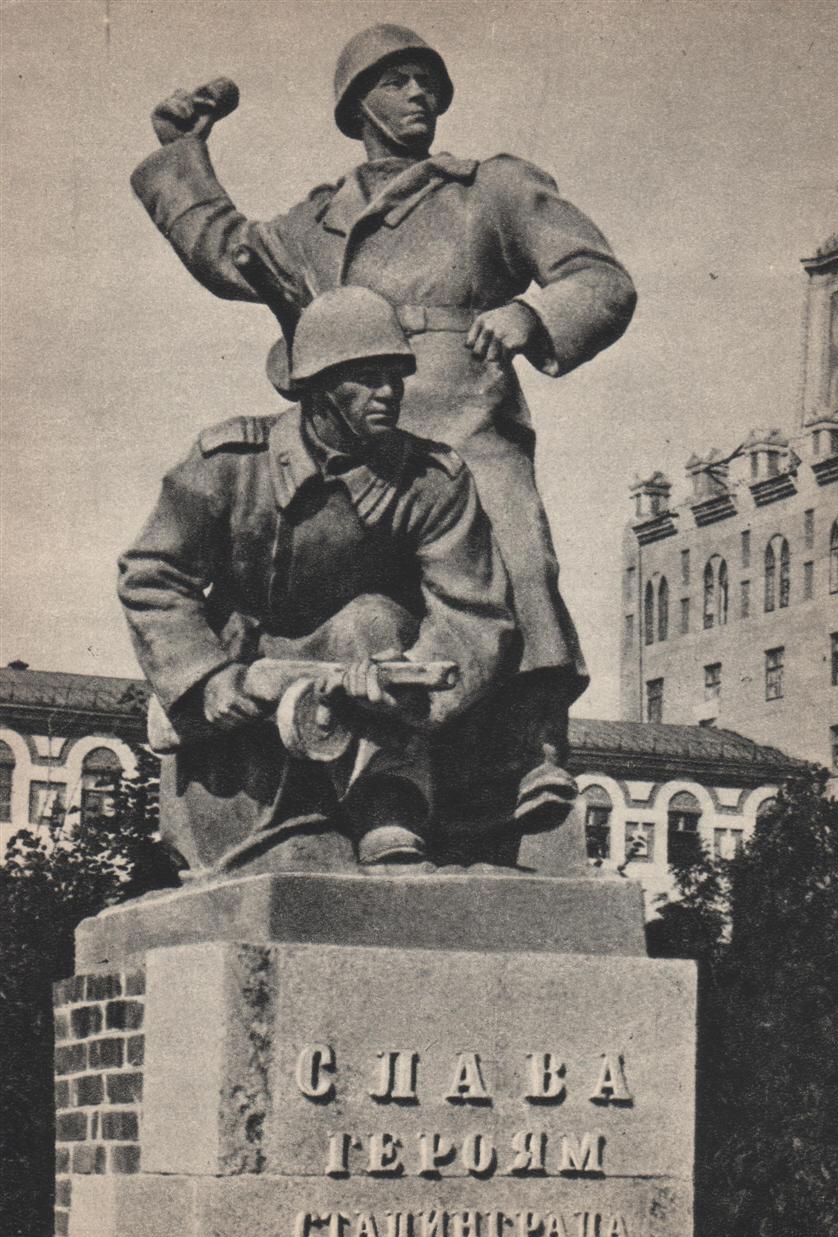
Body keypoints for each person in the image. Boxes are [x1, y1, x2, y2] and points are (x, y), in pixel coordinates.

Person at [130, 24, 637, 830]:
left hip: (463, 413)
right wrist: (180, 154)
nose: (419, 95)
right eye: (397, 81)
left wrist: (532, 317)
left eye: (428, 82)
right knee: (342, 593)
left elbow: (599, 277)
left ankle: (527, 748)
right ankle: (360, 774)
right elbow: (228, 252)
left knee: (516, 543)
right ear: (357, 102)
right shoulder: (315, 222)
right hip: (349, 429)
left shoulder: (489, 189)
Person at [117, 287, 516, 875]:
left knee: (372, 618)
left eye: (397, 377)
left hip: (369, 688)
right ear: (318, 387)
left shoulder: (432, 481)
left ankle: (386, 807)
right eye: (368, 379)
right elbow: (154, 576)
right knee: (234, 861)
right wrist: (205, 678)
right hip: (243, 689)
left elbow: (474, 614)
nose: (390, 393)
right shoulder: (231, 463)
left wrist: (409, 684)